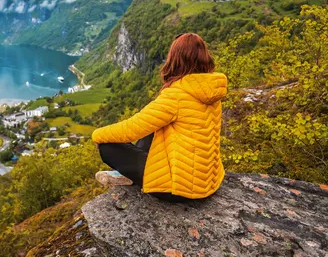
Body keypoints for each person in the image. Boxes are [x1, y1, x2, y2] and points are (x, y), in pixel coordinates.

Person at [92, 33, 227, 202]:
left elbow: (131, 129)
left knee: (107, 146)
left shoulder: (176, 95)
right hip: (207, 182)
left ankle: (130, 175)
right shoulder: (212, 91)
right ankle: (128, 174)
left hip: (178, 189)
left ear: (175, 59)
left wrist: (97, 135)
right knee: (157, 126)